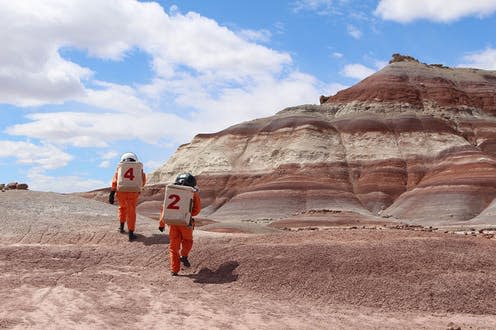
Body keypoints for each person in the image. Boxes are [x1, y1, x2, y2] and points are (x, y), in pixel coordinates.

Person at [159, 173, 201, 276]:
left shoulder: (171, 191)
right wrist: (188, 214)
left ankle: (174, 270)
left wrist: (161, 224)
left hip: (173, 223)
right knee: (187, 241)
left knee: (173, 247)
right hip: (186, 223)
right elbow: (196, 210)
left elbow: (164, 209)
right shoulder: (192, 193)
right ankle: (184, 256)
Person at [109, 152, 147, 241]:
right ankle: (131, 233)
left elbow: (115, 181)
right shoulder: (139, 169)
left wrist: (112, 193)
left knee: (122, 208)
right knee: (131, 211)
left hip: (121, 192)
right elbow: (143, 181)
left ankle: (121, 227)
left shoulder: (120, 169)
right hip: (133, 192)